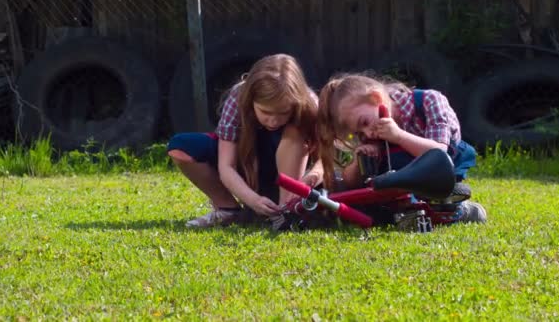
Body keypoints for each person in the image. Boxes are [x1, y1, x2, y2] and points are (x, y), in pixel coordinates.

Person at [167, 54, 323, 228]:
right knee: (181, 147)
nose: (273, 121)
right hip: (250, 165)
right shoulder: (238, 97)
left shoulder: (309, 104)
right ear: (251, 101)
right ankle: (228, 209)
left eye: (283, 113)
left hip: (292, 173)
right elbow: (226, 166)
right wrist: (252, 200)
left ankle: (285, 211)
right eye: (265, 112)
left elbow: (328, 159)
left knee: (295, 130)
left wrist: (311, 178)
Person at [316, 73, 487, 223]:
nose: (367, 133)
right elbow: (350, 182)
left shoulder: (429, 101)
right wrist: (360, 160)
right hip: (402, 181)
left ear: (376, 99)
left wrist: (397, 135)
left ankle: (459, 210)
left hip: (442, 169)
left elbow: (438, 155)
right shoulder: (369, 131)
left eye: (365, 123)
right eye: (358, 131)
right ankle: (408, 210)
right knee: (374, 207)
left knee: (439, 206)